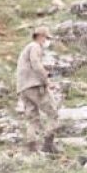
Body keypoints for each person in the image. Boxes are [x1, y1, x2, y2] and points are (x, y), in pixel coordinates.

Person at [15, 26, 58, 154]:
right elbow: (36, 63)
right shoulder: (35, 47)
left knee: (32, 118)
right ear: (40, 36)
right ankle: (48, 145)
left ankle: (31, 147)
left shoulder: (26, 49)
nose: (47, 42)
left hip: (23, 88)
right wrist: (46, 80)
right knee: (53, 114)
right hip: (35, 86)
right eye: (46, 38)